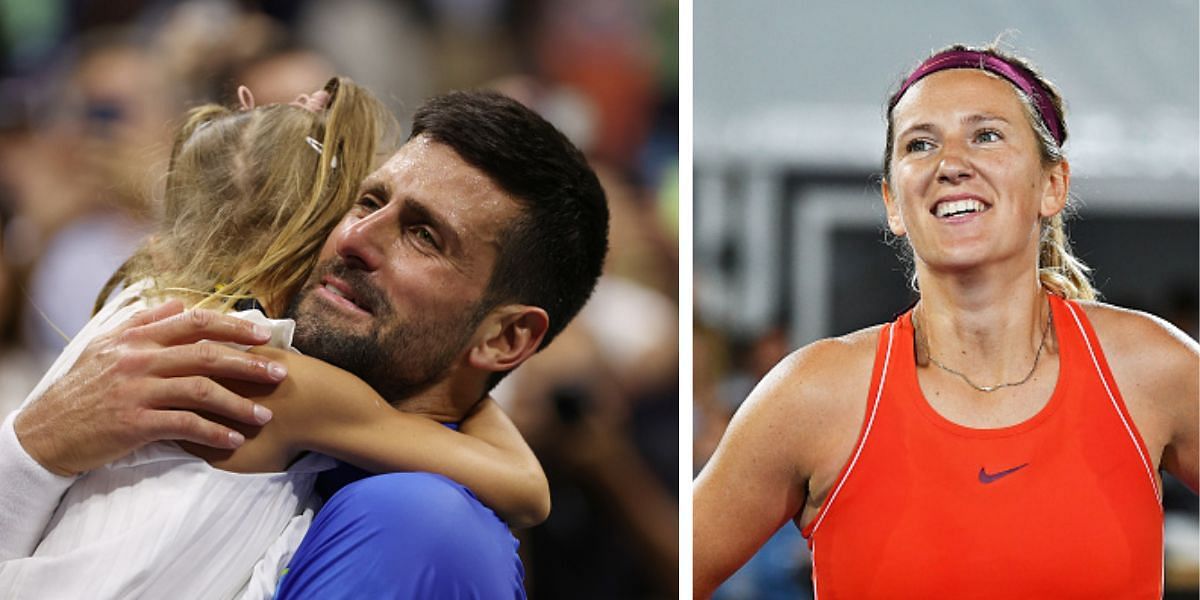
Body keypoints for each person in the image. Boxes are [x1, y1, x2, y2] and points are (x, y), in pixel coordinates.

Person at [1, 84, 608, 598]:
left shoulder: (420, 524)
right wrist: (33, 448)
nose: (354, 239)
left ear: (506, 338)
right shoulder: (251, 370)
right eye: (365, 201)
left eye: (424, 235)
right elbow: (525, 486)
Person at [694, 44, 1198, 598]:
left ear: (1052, 184)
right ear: (892, 202)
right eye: (920, 144)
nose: (950, 163)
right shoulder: (815, 395)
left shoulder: (1149, 371)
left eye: (986, 135)